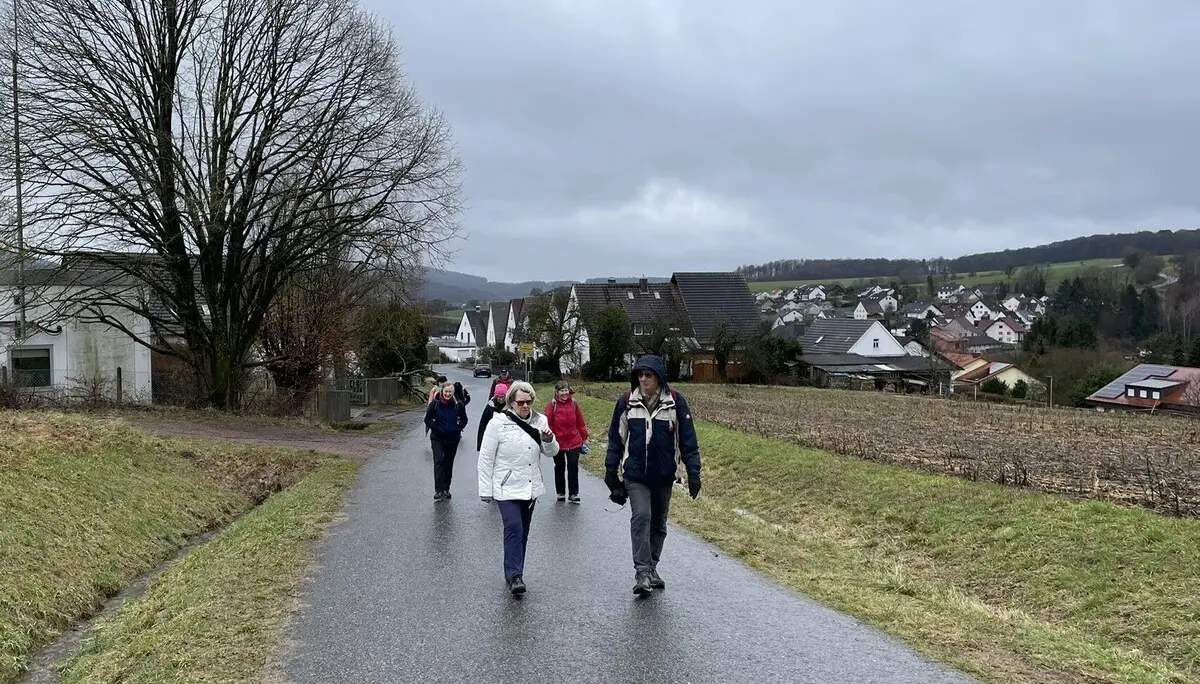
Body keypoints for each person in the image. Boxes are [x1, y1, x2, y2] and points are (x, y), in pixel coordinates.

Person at [604, 354, 701, 595]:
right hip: (635, 475)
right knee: (642, 517)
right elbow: (616, 438)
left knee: (658, 524)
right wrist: (610, 473)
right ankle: (642, 572)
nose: (644, 379)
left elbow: (688, 441)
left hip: (664, 475)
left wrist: (693, 472)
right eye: (640, 375)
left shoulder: (676, 402)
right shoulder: (626, 402)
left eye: (648, 375)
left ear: (659, 377)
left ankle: (652, 566)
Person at [477, 381, 559, 596]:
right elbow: (485, 458)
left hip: (530, 487)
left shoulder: (541, 420)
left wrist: (549, 440)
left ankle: (515, 571)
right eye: (521, 402)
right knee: (513, 527)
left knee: (523, 531)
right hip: (505, 487)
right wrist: (486, 490)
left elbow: (551, 452)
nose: (525, 406)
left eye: (529, 401)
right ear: (511, 402)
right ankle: (514, 575)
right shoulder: (497, 423)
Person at [545, 380, 588, 504]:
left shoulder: (574, 404)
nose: (564, 393)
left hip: (574, 440)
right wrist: (550, 438)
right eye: (561, 391)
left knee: (573, 465)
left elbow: (580, 422)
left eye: (566, 390)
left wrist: (584, 438)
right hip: (557, 441)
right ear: (557, 393)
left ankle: (573, 494)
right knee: (560, 467)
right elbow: (547, 423)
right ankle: (561, 492)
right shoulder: (552, 405)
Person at [424, 383, 468, 501]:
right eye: (446, 392)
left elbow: (464, 420)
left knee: (448, 463)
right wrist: (436, 427)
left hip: (453, 439)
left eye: (450, 392)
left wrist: (457, 428)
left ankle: (446, 489)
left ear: (453, 392)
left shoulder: (458, 405)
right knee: (438, 461)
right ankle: (438, 490)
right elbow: (427, 419)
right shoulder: (435, 404)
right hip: (437, 438)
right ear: (442, 391)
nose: (448, 394)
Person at [477, 382, 509, 451]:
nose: (501, 399)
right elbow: (483, 425)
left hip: (507, 441)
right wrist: (480, 445)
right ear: (495, 396)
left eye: (503, 397)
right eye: (499, 397)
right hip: (492, 439)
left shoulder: (510, 407)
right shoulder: (489, 407)